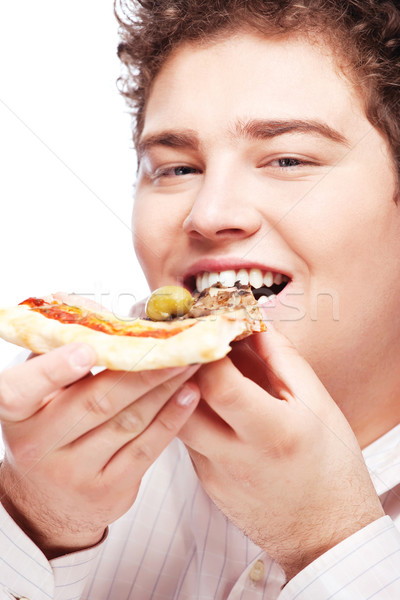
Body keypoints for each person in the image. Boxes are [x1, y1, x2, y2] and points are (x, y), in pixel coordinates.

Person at [0, 0, 399, 598]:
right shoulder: (38, 424)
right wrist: (38, 522)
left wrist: (330, 541)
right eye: (176, 169)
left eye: (288, 158)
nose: (208, 214)